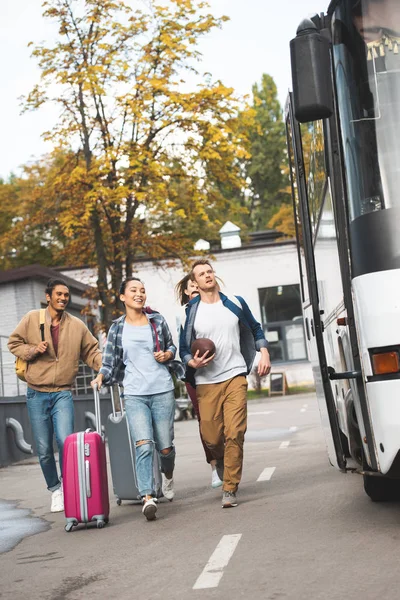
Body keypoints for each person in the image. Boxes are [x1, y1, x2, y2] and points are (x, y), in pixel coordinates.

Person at [179, 260, 271, 508]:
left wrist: (264, 353)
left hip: (235, 375)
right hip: (206, 381)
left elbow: (255, 328)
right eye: (201, 274)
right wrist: (192, 363)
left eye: (209, 271)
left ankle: (230, 488)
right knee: (212, 437)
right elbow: (184, 350)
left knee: (235, 432)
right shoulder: (190, 312)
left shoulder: (235, 302)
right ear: (195, 282)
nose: (207, 276)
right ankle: (218, 459)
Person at [8, 278, 102, 513]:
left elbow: (91, 351)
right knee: (43, 448)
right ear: (48, 296)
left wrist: (107, 369)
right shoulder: (32, 318)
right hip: (36, 393)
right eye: (58, 294)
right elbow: (13, 342)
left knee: (66, 442)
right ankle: (55, 489)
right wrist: (32, 350)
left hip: (62, 392)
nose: (63, 298)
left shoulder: (77, 325)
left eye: (66, 295)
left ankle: (70, 487)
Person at [92, 277, 177, 521]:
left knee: (165, 447)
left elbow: (172, 347)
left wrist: (167, 354)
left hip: (161, 389)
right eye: (133, 290)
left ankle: (168, 474)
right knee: (143, 444)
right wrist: (100, 377)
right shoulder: (117, 327)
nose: (139, 294)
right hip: (135, 393)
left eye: (142, 290)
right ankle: (147, 497)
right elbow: (109, 361)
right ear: (123, 297)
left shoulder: (157, 320)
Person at [175, 274, 222, 489]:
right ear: (186, 292)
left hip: (219, 372)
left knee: (221, 420)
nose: (196, 287)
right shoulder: (183, 316)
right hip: (194, 376)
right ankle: (214, 466)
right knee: (204, 421)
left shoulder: (216, 307)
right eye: (191, 286)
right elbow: (181, 349)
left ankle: (225, 458)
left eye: (198, 284)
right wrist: (189, 361)